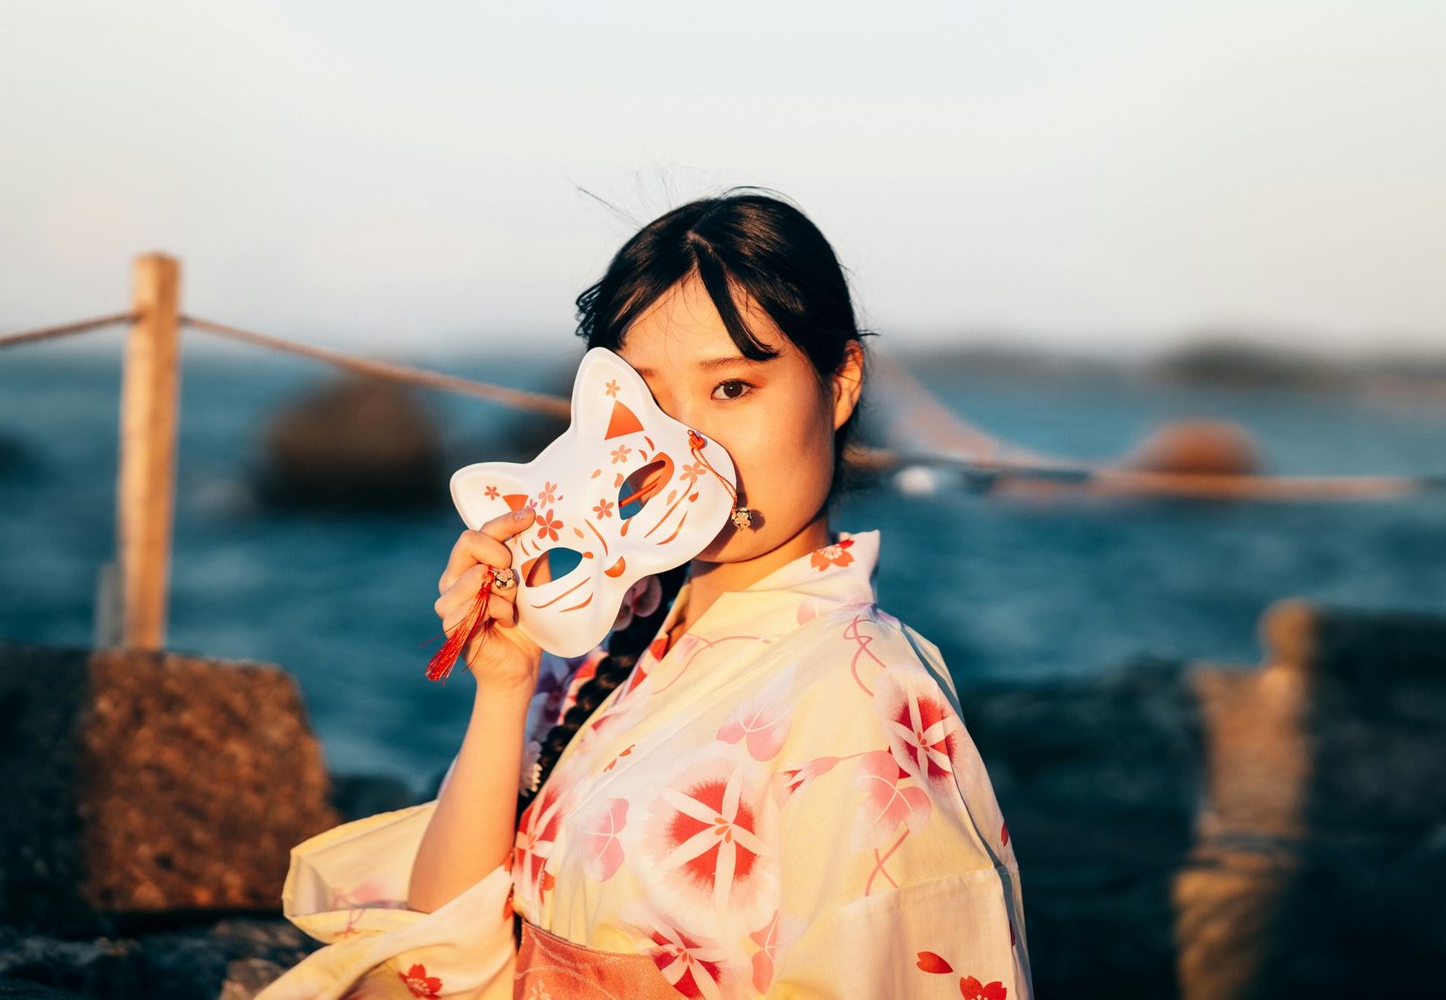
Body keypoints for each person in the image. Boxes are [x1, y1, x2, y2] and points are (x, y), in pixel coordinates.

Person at [259, 190, 1032, 999]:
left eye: (732, 388)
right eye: (651, 404)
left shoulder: (864, 690)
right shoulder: (607, 640)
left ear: (839, 384)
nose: (685, 450)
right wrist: (506, 685)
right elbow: (439, 945)